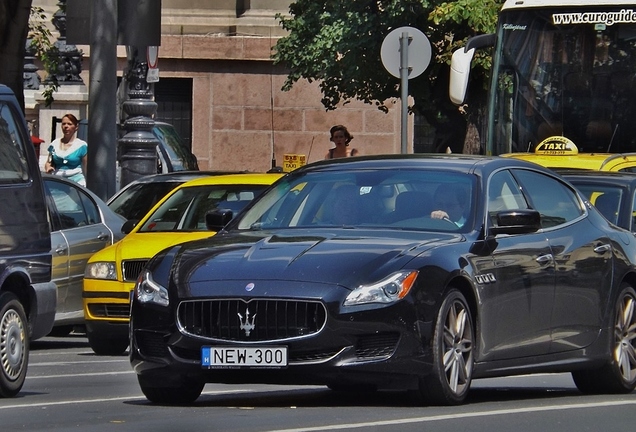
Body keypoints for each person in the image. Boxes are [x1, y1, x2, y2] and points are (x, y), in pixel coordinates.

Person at [44, 114, 88, 186]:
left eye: (69, 124)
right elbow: (48, 162)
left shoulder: (81, 146)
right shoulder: (54, 144)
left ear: (76, 127)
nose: (66, 126)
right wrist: (48, 167)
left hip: (77, 183)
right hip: (57, 182)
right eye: (64, 124)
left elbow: (87, 168)